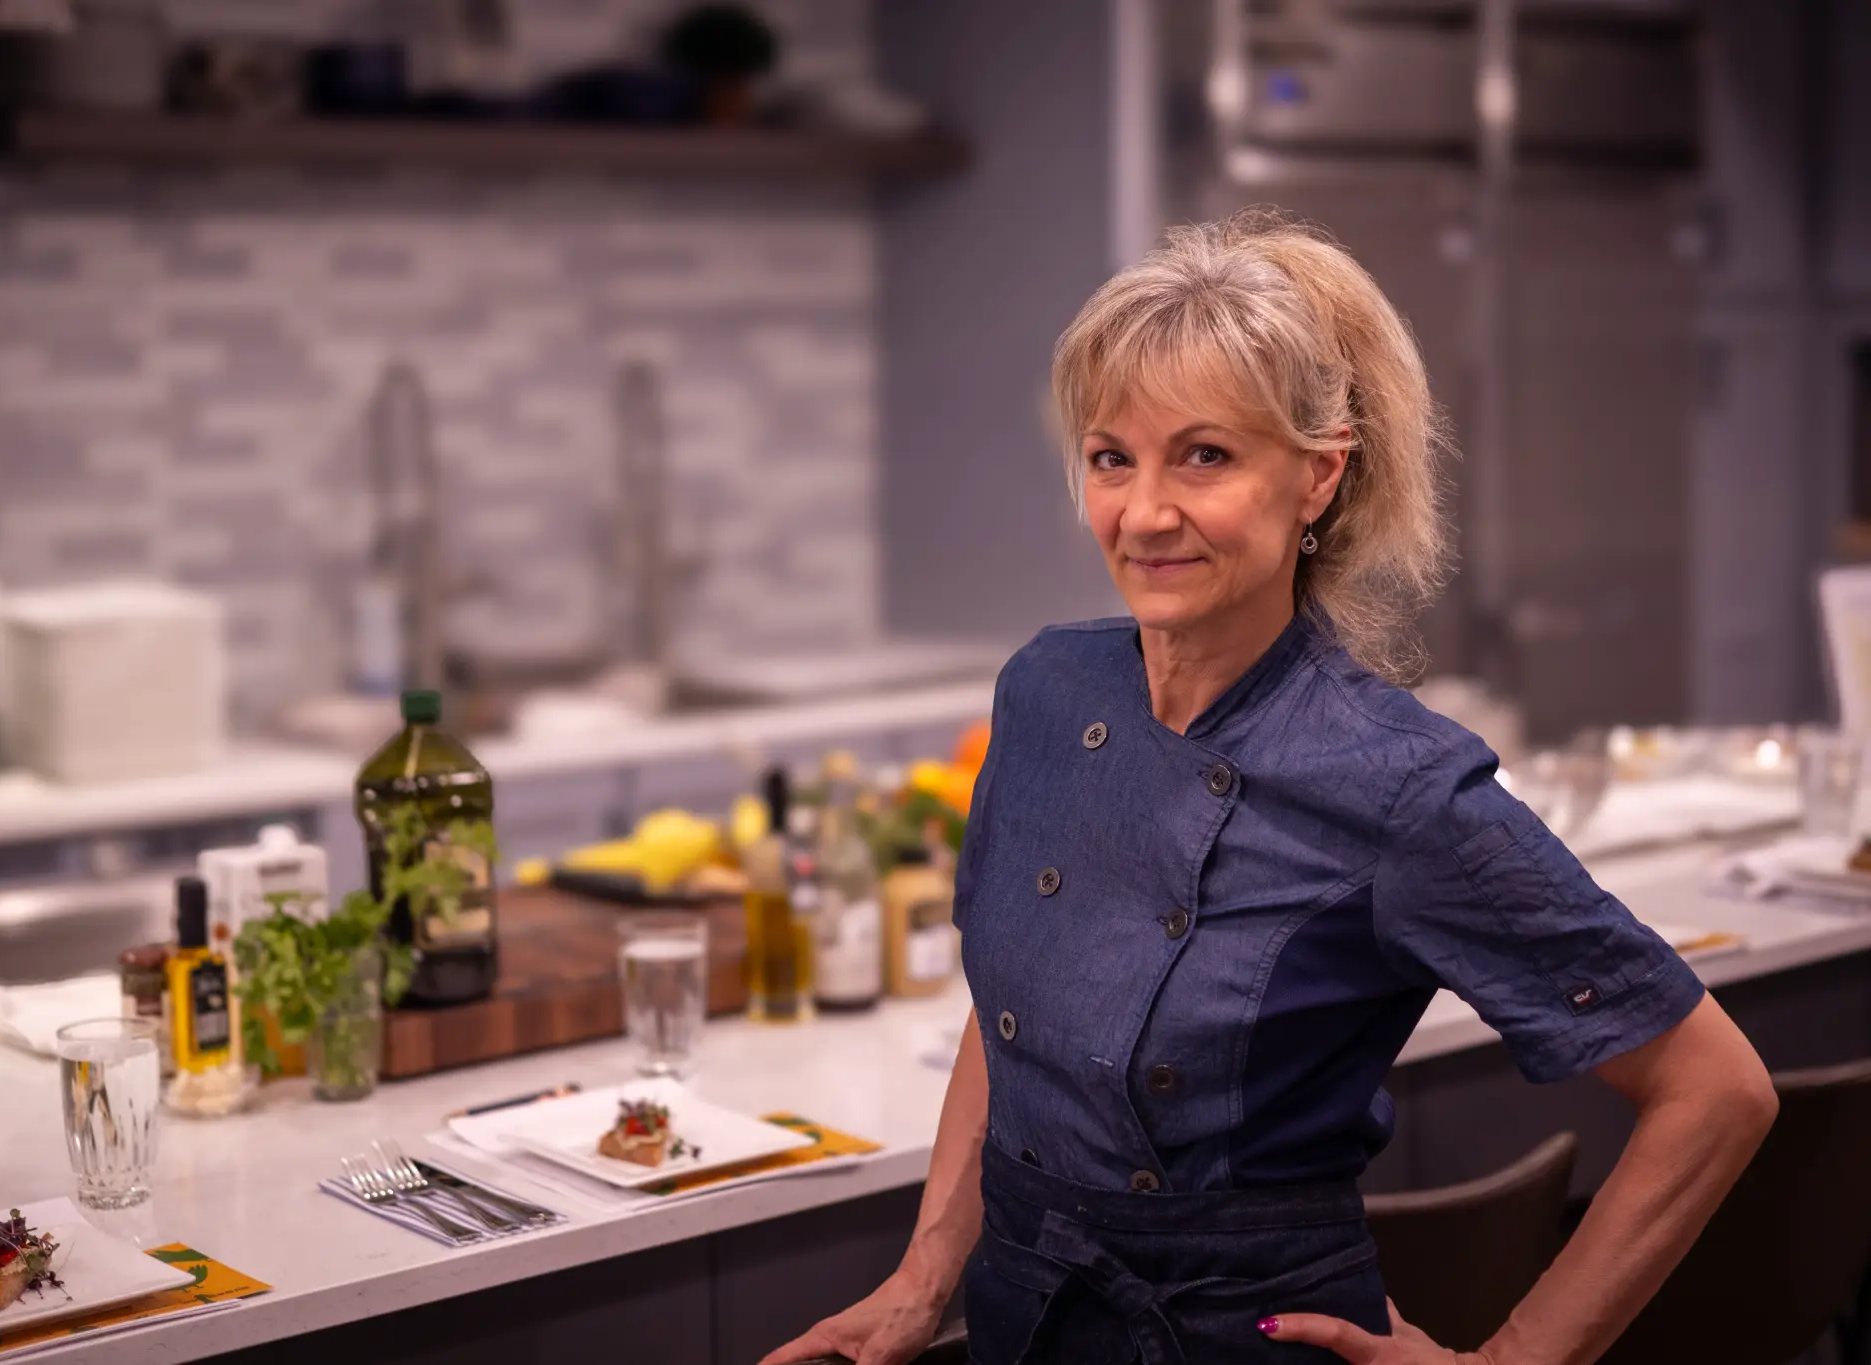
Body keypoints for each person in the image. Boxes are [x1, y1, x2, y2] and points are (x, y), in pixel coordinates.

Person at [761, 210, 1778, 1365]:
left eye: (1204, 456)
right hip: (1025, 1322)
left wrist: (1512, 1360)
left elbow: (1714, 1090)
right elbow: (1016, 1018)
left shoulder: (1393, 785)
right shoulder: (1044, 690)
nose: (1143, 513)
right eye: (1111, 458)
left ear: (1316, 478)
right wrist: (920, 1279)